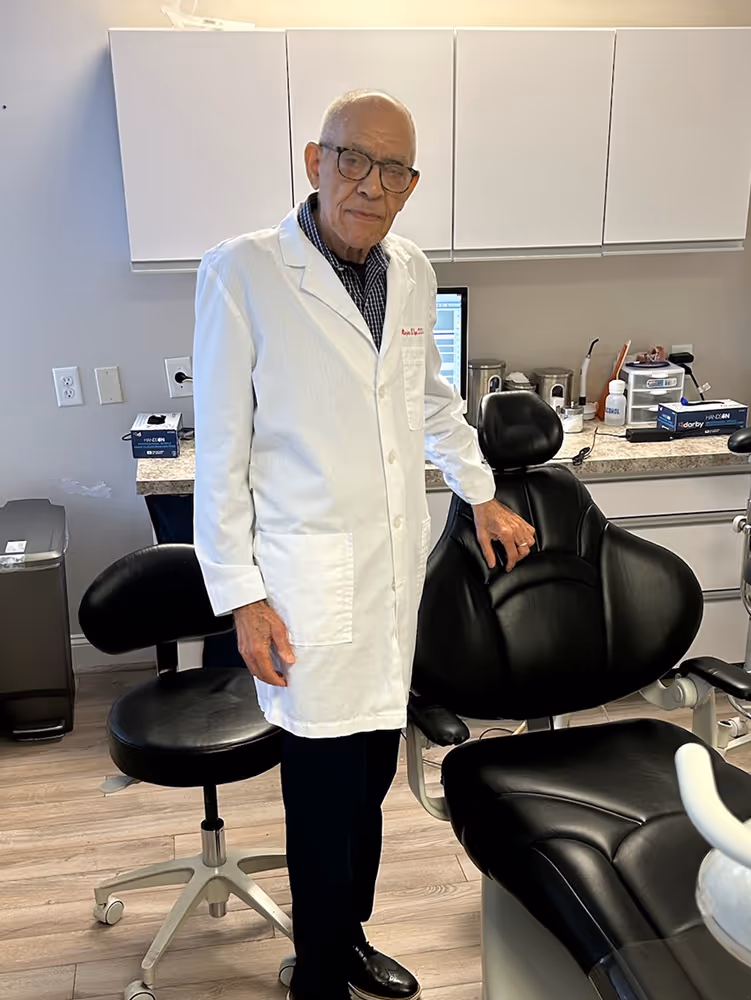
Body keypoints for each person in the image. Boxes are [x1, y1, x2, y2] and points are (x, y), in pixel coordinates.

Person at [193, 89, 536, 1000]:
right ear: (315, 160)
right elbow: (220, 455)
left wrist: (484, 495)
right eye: (352, 160)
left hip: (391, 580)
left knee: (376, 778)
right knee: (320, 794)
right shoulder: (246, 270)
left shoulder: (413, 271)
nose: (370, 186)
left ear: (411, 185)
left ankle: (347, 938)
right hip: (305, 586)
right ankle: (317, 972)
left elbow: (430, 402)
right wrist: (242, 595)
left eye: (393, 171)